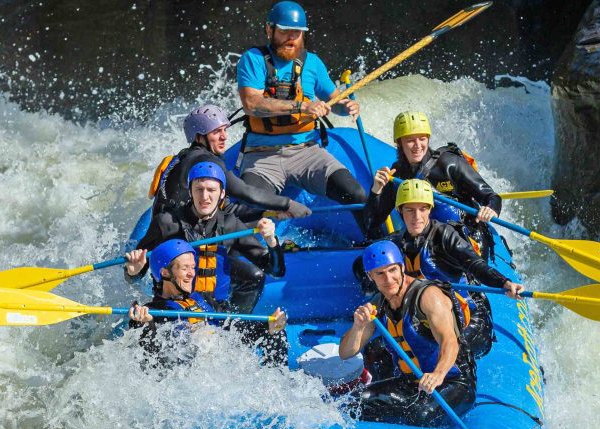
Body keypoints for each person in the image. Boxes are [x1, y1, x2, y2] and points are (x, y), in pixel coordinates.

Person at [235, 1, 369, 235]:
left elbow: (334, 101)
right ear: (269, 30)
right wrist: (302, 106)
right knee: (247, 210)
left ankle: (380, 250)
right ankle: (245, 261)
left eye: (296, 33)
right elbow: (252, 104)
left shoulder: (313, 63)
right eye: (284, 32)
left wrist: (346, 106)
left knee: (356, 194)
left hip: (306, 151)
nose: (291, 39)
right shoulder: (253, 59)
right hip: (262, 156)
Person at [338, 241, 476, 426]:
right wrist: (358, 326)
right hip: (411, 382)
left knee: (419, 416)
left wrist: (438, 374)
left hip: (452, 382)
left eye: (393, 270)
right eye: (380, 273)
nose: (388, 279)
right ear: (370, 276)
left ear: (402, 267)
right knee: (354, 403)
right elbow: (346, 353)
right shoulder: (377, 306)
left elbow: (449, 341)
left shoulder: (429, 296)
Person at [385, 179, 524, 358]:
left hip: (467, 317)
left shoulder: (444, 235)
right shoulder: (395, 243)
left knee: (444, 354)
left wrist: (504, 282)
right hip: (426, 318)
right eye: (410, 210)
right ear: (400, 211)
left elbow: (474, 263)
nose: (417, 217)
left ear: (430, 210)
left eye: (422, 209)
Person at [126, 162, 285, 314]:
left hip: (213, 308)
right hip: (173, 304)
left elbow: (276, 271)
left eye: (211, 190)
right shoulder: (167, 222)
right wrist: (134, 272)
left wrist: (272, 241)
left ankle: (234, 326)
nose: (205, 197)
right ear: (190, 191)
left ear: (222, 193)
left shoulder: (230, 224)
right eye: (199, 189)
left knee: (255, 277)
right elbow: (134, 276)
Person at [128, 239, 287, 365]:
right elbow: (152, 359)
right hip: (188, 381)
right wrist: (145, 326)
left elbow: (233, 328)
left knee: (276, 332)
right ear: (164, 272)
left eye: (193, 267)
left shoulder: (204, 298)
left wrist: (266, 328)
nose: (192, 274)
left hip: (220, 371)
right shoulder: (152, 312)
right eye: (184, 269)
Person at [366, 111, 501, 253]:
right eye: (410, 140)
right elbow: (372, 222)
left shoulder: (450, 164)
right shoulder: (397, 174)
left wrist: (490, 208)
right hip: (423, 240)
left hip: (463, 237)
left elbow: (491, 197)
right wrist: (376, 190)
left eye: (422, 139)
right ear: (399, 143)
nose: (418, 145)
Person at [148, 103, 311, 220]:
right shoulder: (205, 161)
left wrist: (266, 213)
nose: (224, 136)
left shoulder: (180, 158)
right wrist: (287, 204)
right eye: (217, 132)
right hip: (179, 248)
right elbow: (247, 192)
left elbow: (226, 209)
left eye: (224, 130)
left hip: (161, 241)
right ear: (199, 136)